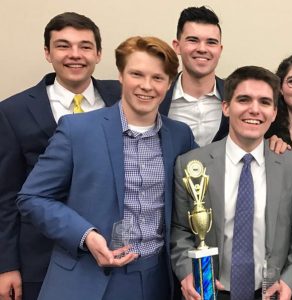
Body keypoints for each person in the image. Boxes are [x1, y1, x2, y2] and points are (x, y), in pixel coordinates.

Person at [16, 36, 196, 300]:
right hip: (86, 278)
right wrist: (85, 236)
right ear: (121, 76)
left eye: (157, 78)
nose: (146, 86)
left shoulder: (180, 135)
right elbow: (32, 197)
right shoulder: (77, 130)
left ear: (169, 83)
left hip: (156, 279)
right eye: (137, 74)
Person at [0, 12, 120, 300]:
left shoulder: (122, 97)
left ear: (99, 53)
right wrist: (6, 266)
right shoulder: (13, 111)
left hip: (112, 251)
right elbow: (5, 195)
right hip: (40, 256)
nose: (75, 55)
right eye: (63, 46)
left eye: (85, 46)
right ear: (47, 53)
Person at [171, 66, 292, 300]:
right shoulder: (192, 164)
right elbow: (180, 229)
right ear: (226, 107)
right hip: (210, 291)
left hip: (271, 293)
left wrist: (289, 280)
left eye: (265, 102)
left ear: (274, 112)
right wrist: (187, 273)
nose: (254, 110)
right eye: (244, 99)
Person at [159, 6, 228, 147]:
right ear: (177, 46)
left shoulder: (236, 96)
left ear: (220, 50)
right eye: (193, 40)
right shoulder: (157, 96)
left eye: (211, 42)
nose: (202, 49)